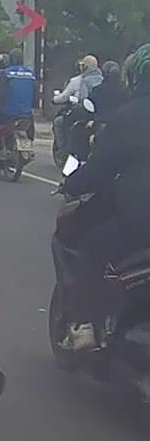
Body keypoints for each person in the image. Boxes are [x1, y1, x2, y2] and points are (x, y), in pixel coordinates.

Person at [54, 43, 150, 351]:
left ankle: (84, 326)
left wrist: (72, 184)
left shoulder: (131, 115)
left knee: (92, 249)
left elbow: (100, 169)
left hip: (139, 223)